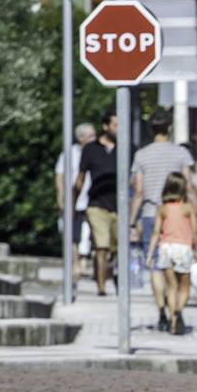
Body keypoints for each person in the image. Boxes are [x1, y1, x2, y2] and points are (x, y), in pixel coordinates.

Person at [131, 109, 196, 332]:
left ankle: (161, 312)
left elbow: (138, 191)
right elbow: (189, 186)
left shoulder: (141, 155)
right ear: (169, 128)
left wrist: (132, 220)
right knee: (179, 273)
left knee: (157, 268)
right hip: (180, 215)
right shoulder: (180, 154)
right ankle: (176, 312)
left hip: (151, 213)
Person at [144, 173, 197, 335]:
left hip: (166, 249)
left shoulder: (161, 209)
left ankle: (172, 319)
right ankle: (178, 312)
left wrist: (149, 254)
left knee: (171, 287)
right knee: (184, 287)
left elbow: (156, 233)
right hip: (183, 249)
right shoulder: (188, 208)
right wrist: (195, 251)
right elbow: (194, 232)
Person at [75, 111, 119, 297]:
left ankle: (118, 281)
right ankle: (101, 288)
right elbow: (81, 177)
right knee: (101, 247)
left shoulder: (127, 148)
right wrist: (72, 202)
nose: (119, 129)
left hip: (119, 206)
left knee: (117, 250)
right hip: (96, 204)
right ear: (106, 126)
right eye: (116, 125)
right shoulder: (91, 149)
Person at [56, 121, 96, 281]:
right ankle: (76, 264)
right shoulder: (69, 153)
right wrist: (61, 196)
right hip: (74, 201)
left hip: (92, 199)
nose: (94, 138)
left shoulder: (97, 152)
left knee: (88, 234)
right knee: (72, 234)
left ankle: (84, 263)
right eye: (90, 136)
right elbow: (59, 175)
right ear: (81, 138)